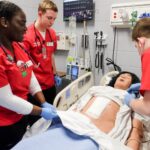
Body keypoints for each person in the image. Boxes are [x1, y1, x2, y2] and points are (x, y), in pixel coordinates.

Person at [13, 71, 145, 150]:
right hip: (71, 124)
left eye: (128, 77)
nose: (124, 75)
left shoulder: (132, 100)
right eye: (122, 74)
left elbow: (136, 128)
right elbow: (77, 105)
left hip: (94, 135)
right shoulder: (97, 89)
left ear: (133, 84)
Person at [0, 1, 58, 149]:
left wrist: (43, 102)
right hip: (4, 122)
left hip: (20, 115)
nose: (25, 28)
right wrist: (40, 111)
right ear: (4, 22)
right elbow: (6, 99)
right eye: (21, 23)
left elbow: (29, 74)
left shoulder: (17, 46)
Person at [23, 0, 62, 106]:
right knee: (37, 121)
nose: (52, 22)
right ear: (40, 13)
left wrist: (55, 73)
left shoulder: (52, 33)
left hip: (50, 83)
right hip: (35, 87)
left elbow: (51, 55)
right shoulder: (27, 35)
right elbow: (24, 64)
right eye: (49, 18)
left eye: (54, 19)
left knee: (51, 116)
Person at [124, 18, 150, 116]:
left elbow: (148, 109)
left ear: (140, 42)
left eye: (136, 47)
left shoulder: (148, 54)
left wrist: (130, 101)